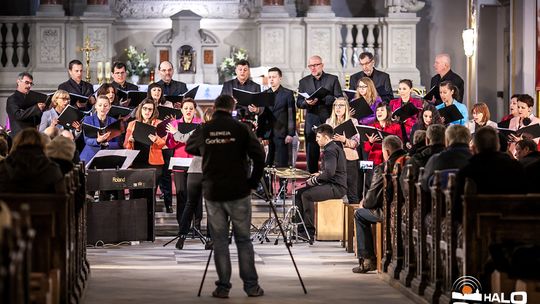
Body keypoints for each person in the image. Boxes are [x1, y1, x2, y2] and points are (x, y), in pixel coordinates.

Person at [185, 94, 265, 299]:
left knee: (220, 241)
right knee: (243, 240)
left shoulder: (205, 129)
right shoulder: (241, 128)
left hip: (213, 191)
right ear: (232, 108)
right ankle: (251, 286)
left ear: (214, 107)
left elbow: (189, 146)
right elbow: (259, 155)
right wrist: (253, 182)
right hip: (239, 190)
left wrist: (210, 148)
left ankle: (223, 287)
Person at [352, 135, 407, 273]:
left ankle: (367, 260)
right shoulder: (410, 161)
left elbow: (370, 201)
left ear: (387, 152)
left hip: (390, 212)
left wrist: (363, 202)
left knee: (359, 214)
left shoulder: (384, 167)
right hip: (409, 211)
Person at [454, 126, 526, 219]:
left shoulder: (467, 171)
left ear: (474, 148)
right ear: (498, 146)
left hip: (476, 226)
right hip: (510, 223)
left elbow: (457, 210)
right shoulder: (516, 167)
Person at [295, 124, 347, 240]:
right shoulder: (331, 148)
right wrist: (319, 175)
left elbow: (329, 173)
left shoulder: (330, 150)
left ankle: (309, 232)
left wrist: (312, 181)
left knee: (306, 195)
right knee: (298, 193)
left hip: (336, 187)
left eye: (318, 137)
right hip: (332, 183)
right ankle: (300, 229)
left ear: (327, 138)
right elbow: (330, 171)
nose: (316, 139)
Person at [174, 107, 215, 250]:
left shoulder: (198, 130)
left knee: (190, 204)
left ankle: (181, 237)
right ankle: (210, 239)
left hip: (195, 170)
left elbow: (187, 144)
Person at [297, 55, 343, 173]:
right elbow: (299, 103)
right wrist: (307, 102)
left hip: (329, 118)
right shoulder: (303, 82)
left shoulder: (332, 79)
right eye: (311, 66)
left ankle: (332, 176)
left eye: (316, 65)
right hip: (312, 120)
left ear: (322, 65)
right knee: (311, 151)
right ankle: (311, 177)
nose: (313, 68)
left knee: (332, 150)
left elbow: (339, 98)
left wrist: (324, 99)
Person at [124, 99, 166, 210]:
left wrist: (156, 139)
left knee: (149, 195)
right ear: (140, 109)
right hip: (136, 163)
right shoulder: (132, 124)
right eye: (145, 108)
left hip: (153, 164)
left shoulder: (159, 123)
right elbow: (125, 145)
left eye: (150, 109)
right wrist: (130, 140)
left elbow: (163, 143)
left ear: (153, 111)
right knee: (135, 194)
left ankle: (149, 224)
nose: (147, 111)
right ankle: (135, 221)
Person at [166, 98, 202, 215]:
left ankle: (196, 228)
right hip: (179, 163)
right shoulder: (174, 124)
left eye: (191, 109)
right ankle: (182, 228)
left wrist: (178, 135)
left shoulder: (200, 123)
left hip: (195, 163)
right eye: (185, 108)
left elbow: (198, 142)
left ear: (194, 111)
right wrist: (178, 137)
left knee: (196, 196)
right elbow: (170, 144)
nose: (188, 111)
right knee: (181, 195)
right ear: (181, 110)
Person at [0, 128, 63, 193]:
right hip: (42, 202)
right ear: (42, 144)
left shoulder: (3, 167)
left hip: (9, 203)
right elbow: (60, 196)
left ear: (16, 143)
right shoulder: (52, 168)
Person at [325, 97, 360, 204]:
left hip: (348, 158)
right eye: (335, 105)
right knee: (332, 191)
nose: (338, 108)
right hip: (333, 159)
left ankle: (354, 219)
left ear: (346, 108)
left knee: (352, 192)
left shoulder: (353, 121)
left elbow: (356, 142)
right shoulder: (328, 122)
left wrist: (344, 140)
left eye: (341, 105)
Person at [421, 124, 472, 192]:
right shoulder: (477, 161)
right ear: (469, 140)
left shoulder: (436, 160)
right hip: (472, 202)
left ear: (447, 141)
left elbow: (424, 186)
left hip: (440, 202)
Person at [262, 67, 296, 167]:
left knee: (282, 162)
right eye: (269, 77)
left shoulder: (287, 93)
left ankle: (283, 183)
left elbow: (291, 114)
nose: (271, 79)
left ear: (280, 78)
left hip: (282, 133)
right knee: (267, 163)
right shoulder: (264, 94)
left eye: (274, 77)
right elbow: (262, 116)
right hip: (268, 134)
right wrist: (263, 134)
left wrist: (290, 133)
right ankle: (268, 183)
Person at [80, 95, 121, 163]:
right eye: (100, 105)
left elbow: (118, 143)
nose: (103, 108)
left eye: (105, 105)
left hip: (109, 154)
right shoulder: (88, 120)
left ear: (109, 107)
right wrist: (98, 140)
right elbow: (87, 140)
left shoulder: (114, 121)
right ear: (95, 106)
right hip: (91, 153)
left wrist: (107, 144)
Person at [220, 59, 261, 123]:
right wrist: (230, 103)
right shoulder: (228, 85)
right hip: (231, 119)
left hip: (249, 120)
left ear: (249, 71)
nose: (242, 72)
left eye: (245, 70)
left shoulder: (255, 86)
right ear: (236, 71)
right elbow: (221, 103)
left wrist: (256, 110)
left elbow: (261, 106)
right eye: (240, 69)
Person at [6, 72, 46, 138]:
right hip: (19, 137)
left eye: (31, 83)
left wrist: (42, 110)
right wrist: (36, 108)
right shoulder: (12, 99)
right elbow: (18, 115)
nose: (29, 86)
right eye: (27, 82)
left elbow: (36, 121)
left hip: (32, 135)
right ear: (18, 82)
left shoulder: (31, 99)